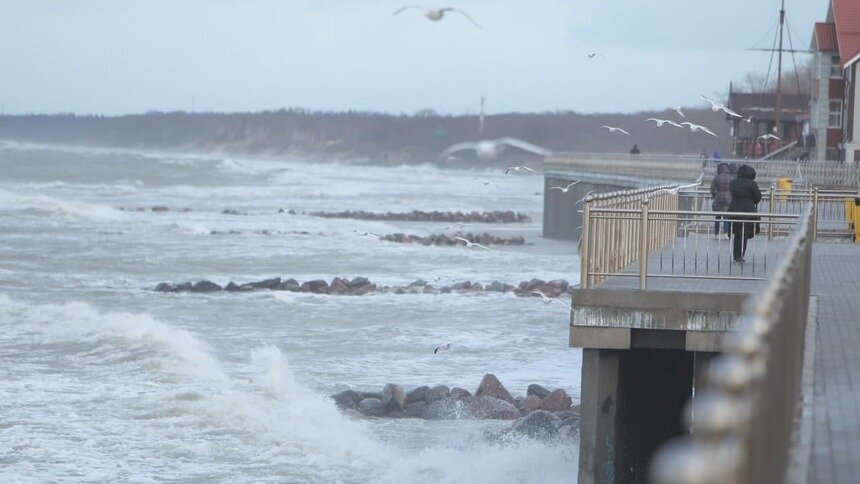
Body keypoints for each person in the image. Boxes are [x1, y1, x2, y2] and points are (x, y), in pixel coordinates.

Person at [728, 164, 761, 262]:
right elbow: (757, 197)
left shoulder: (733, 183)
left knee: (737, 233)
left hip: (734, 211)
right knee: (744, 234)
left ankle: (736, 254)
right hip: (748, 212)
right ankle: (741, 255)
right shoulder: (752, 184)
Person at [710, 162, 732, 238]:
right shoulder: (730, 177)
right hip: (728, 199)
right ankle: (726, 234)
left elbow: (712, 189)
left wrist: (714, 195)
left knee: (718, 217)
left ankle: (716, 233)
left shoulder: (716, 177)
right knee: (726, 217)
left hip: (718, 199)